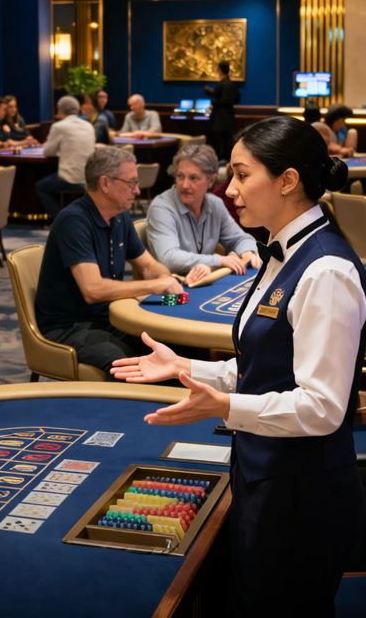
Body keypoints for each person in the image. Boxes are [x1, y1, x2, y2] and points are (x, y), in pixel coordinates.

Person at [110, 116, 365, 615]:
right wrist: (185, 366)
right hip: (266, 473)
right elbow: (267, 365)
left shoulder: (327, 271)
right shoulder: (281, 249)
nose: (229, 190)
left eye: (242, 175)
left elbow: (322, 408)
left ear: (287, 180)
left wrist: (225, 406)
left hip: (303, 493)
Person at [34, 146, 183, 372]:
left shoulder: (120, 217)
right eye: (131, 183)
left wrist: (166, 282)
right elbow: (92, 290)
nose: (137, 190)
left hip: (110, 318)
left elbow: (148, 266)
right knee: (127, 363)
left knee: (175, 346)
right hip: (69, 327)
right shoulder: (73, 221)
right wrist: (155, 285)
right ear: (105, 183)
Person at [146, 144, 261, 284]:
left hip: (203, 283)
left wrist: (247, 252)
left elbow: (240, 239)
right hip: (170, 288)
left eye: (193, 178)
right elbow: (169, 258)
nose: (184, 185)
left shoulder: (215, 204)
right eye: (180, 176)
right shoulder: (161, 207)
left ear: (211, 181)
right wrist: (219, 260)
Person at [34, 95, 96, 220]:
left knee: (40, 187)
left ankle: (61, 218)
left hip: (70, 178)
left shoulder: (59, 126)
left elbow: (47, 151)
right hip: (88, 177)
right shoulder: (88, 126)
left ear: (60, 110)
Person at [204, 60, 241, 161]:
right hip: (229, 117)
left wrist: (213, 103)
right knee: (228, 143)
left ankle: (221, 163)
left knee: (219, 145)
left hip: (219, 119)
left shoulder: (222, 84)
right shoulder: (232, 84)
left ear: (220, 70)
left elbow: (222, 100)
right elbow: (237, 99)